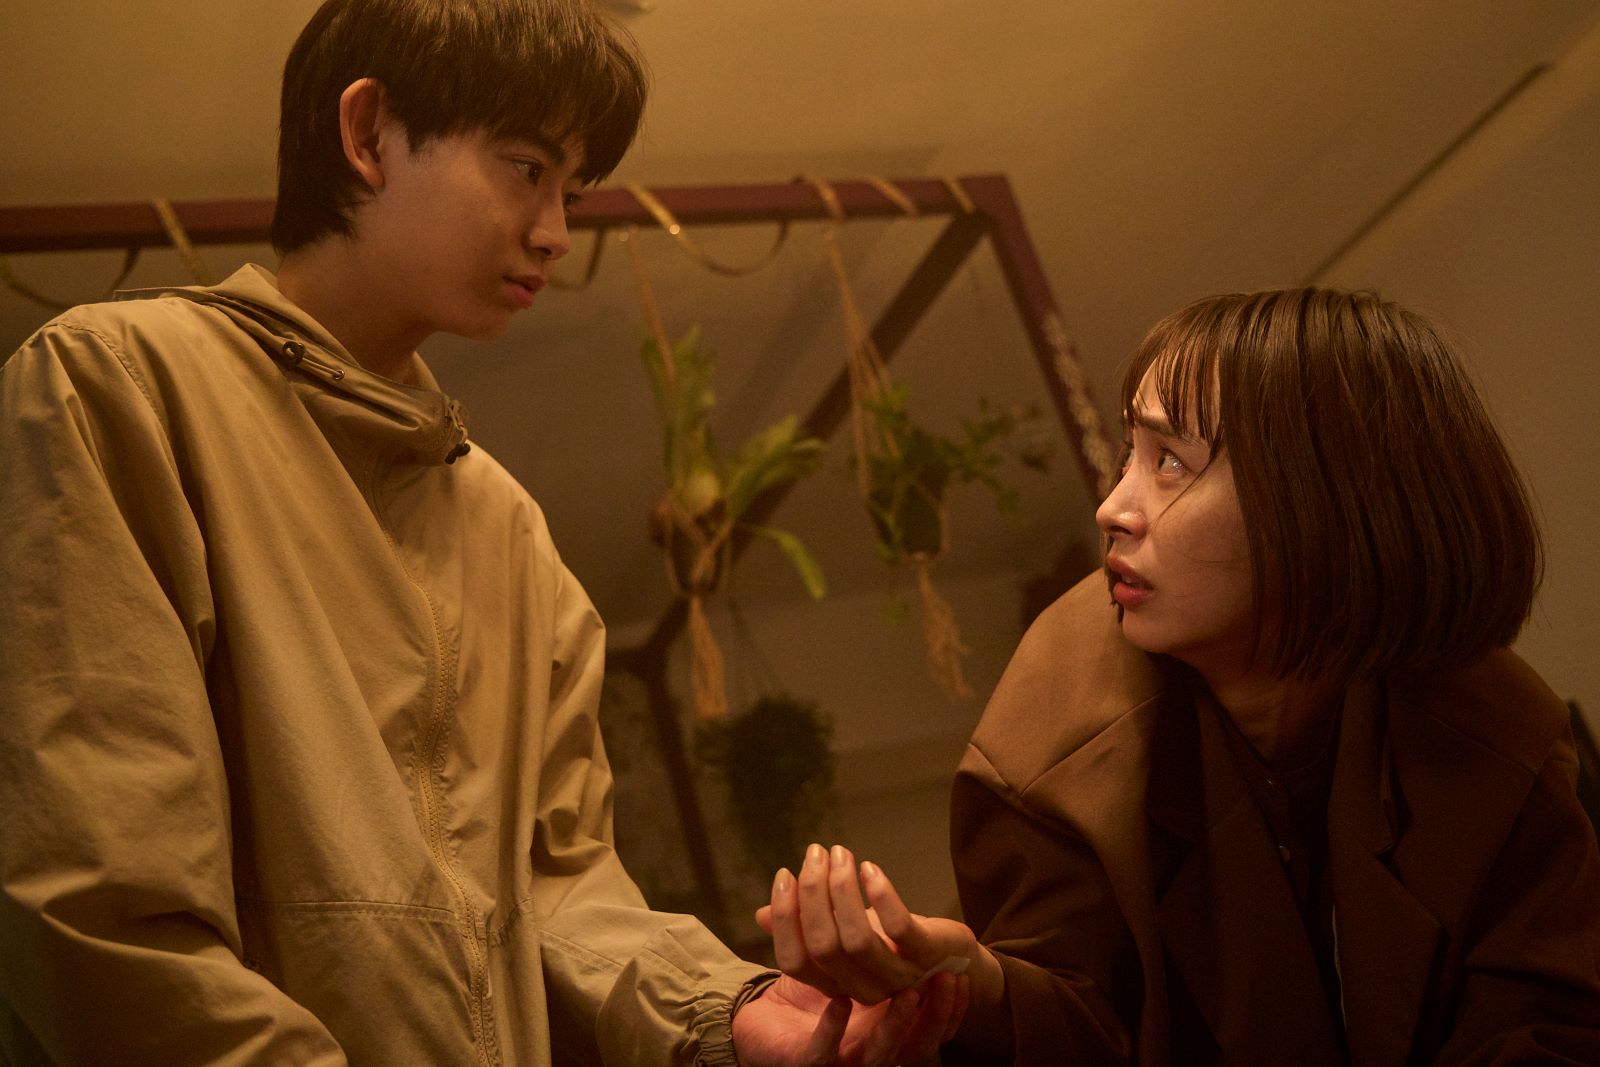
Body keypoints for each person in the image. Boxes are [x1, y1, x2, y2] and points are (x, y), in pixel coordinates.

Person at [0, 0, 964, 1062]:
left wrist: (729, 1012)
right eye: (524, 168)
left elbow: (561, 886)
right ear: (367, 133)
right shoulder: (118, 387)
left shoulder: (508, 528)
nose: (556, 232)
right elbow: (99, 907)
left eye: (570, 191)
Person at [760, 288, 1600, 1064]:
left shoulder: (1495, 733)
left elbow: (1552, 1024)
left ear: (1329, 498)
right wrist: (978, 986)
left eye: (1170, 462)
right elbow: (1090, 1023)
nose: (1112, 508)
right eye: (1129, 454)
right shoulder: (1056, 742)